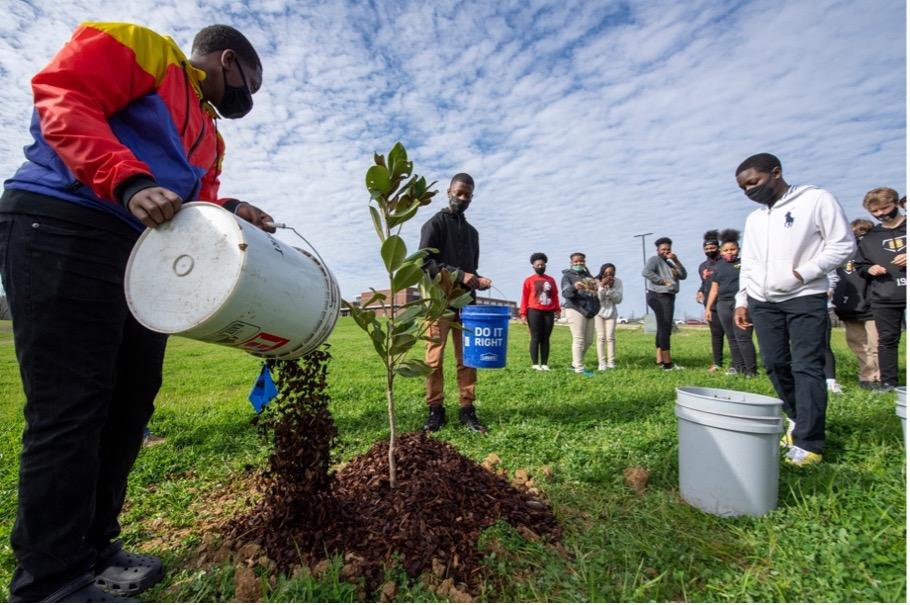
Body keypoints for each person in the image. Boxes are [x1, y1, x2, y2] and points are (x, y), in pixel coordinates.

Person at [0, 22, 273, 602]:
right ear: (228, 61)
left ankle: (97, 548)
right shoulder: (141, 48)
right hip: (65, 227)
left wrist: (230, 207)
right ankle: (50, 579)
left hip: (141, 257)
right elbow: (64, 96)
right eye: (250, 84)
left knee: (128, 405)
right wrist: (126, 180)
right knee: (72, 407)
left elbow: (190, 204)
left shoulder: (210, 135)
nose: (248, 99)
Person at [733, 153, 854, 467]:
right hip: (762, 301)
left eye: (754, 182)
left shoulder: (816, 200)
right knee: (774, 363)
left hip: (803, 296)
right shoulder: (755, 219)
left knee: (806, 366)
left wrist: (803, 273)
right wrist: (742, 300)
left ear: (776, 172)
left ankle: (810, 442)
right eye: (744, 188)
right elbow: (750, 263)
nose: (749, 191)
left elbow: (843, 244)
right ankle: (799, 420)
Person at [419, 173, 491, 432]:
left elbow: (471, 269)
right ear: (448, 192)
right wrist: (461, 274)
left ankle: (467, 409)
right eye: (459, 193)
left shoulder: (473, 233)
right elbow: (424, 263)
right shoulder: (434, 224)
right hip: (439, 304)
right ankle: (435, 409)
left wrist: (479, 279)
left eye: (468, 195)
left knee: (467, 359)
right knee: (434, 360)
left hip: (467, 307)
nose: (462, 198)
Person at [854, 187, 906, 391]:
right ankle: (889, 383)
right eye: (875, 212)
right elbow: (859, 265)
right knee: (887, 341)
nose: (881, 214)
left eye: (885, 208)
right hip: (885, 296)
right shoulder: (870, 237)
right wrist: (870, 269)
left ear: (895, 203)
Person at [832, 219, 880, 389]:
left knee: (876, 344)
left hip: (872, 303)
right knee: (857, 343)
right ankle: (866, 377)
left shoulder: (873, 250)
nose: (858, 236)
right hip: (849, 305)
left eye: (863, 232)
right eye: (855, 232)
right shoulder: (842, 254)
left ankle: (880, 377)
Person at [705, 229, 756, 377]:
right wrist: (708, 308)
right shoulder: (718, 267)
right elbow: (714, 289)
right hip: (723, 304)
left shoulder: (744, 264)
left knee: (743, 337)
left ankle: (751, 371)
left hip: (741, 304)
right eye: (726, 250)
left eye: (733, 249)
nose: (729, 252)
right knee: (731, 337)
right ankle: (738, 367)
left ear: (738, 250)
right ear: (721, 252)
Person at [642, 237, 687, 370]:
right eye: (663, 249)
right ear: (657, 250)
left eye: (668, 249)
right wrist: (662, 281)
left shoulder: (671, 263)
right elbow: (646, 272)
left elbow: (683, 275)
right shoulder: (654, 260)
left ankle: (660, 360)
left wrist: (676, 260)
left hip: (669, 296)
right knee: (665, 327)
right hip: (658, 295)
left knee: (662, 327)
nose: (666, 252)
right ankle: (667, 364)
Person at [519, 253, 560, 370]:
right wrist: (523, 313)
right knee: (535, 337)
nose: (540, 266)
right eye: (538, 265)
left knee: (546, 338)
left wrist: (557, 309)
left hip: (549, 312)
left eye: (542, 264)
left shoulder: (551, 280)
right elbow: (524, 297)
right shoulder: (529, 280)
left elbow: (555, 295)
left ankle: (545, 364)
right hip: (534, 311)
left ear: (545, 265)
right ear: (533, 266)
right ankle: (535, 364)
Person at [561, 252, 600, 375]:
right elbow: (566, 294)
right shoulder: (567, 276)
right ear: (571, 263)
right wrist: (574, 287)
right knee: (579, 339)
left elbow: (593, 293)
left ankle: (574, 363)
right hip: (575, 309)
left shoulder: (589, 276)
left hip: (589, 311)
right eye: (576, 261)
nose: (578, 263)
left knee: (588, 340)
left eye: (581, 261)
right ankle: (579, 368)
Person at [697, 230, 726, 372]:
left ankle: (739, 363)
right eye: (707, 249)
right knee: (716, 335)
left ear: (718, 248)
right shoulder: (703, 266)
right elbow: (705, 283)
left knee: (734, 336)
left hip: (726, 303)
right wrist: (700, 290)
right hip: (710, 305)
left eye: (712, 248)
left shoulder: (725, 262)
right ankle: (717, 362)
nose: (710, 251)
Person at [594, 263, 623, 370]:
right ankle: (602, 363)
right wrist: (602, 286)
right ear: (602, 273)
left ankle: (611, 362)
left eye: (611, 273)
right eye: (606, 273)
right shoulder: (596, 281)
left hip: (611, 313)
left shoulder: (618, 282)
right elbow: (599, 299)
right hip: (598, 312)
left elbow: (618, 300)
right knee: (601, 337)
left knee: (610, 337)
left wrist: (610, 290)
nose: (609, 275)